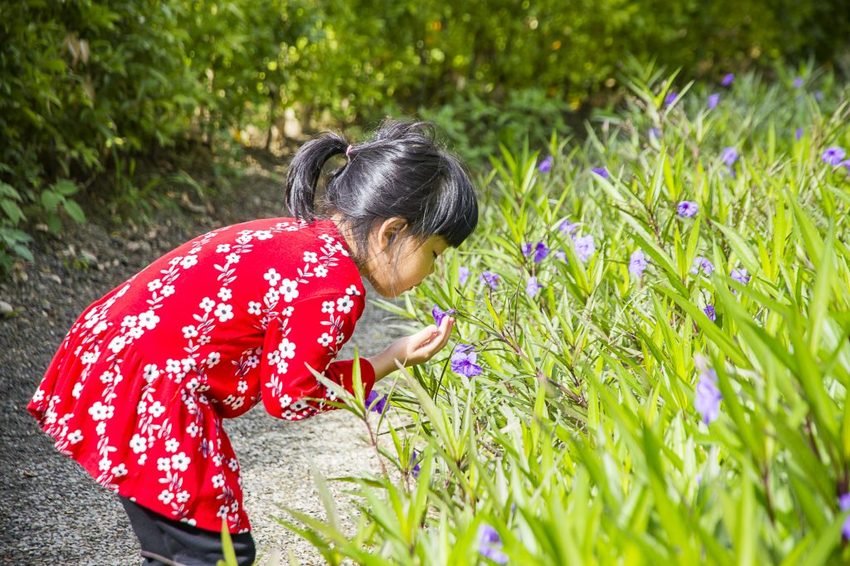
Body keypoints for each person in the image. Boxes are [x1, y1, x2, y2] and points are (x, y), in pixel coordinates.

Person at [27, 120, 478, 565]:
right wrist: (384, 362)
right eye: (434, 254)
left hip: (112, 353)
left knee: (181, 548)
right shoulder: (335, 285)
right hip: (152, 385)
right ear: (392, 232)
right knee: (216, 551)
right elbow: (291, 396)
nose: (433, 270)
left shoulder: (297, 236)